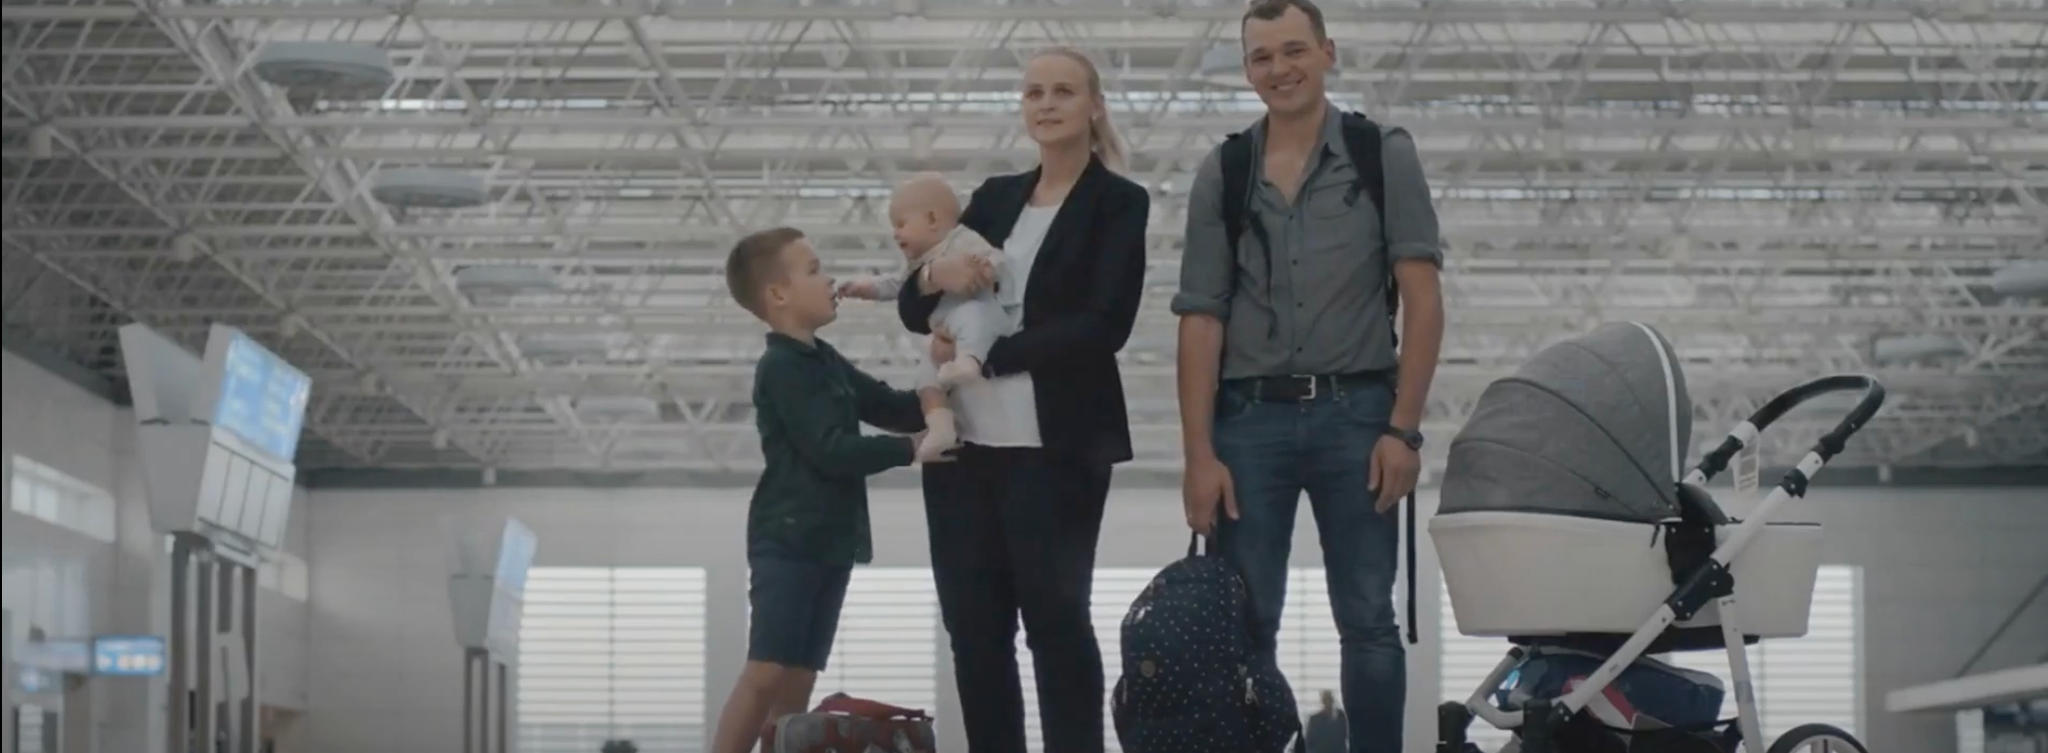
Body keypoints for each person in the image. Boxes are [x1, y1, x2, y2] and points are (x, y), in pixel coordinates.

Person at [1171, 1, 1446, 752]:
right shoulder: (1223, 171)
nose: (1279, 69)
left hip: (1358, 415)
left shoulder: (1380, 152)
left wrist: (1404, 429)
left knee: (1367, 616)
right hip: (1247, 421)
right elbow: (1200, 320)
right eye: (1261, 57)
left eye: (1294, 50)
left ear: (1329, 53)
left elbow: (1422, 301)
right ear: (1246, 69)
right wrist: (1198, 455)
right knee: (1246, 616)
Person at [892, 46, 1149, 753]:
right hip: (965, 450)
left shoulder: (1120, 202)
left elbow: (1106, 324)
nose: (1046, 103)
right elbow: (918, 307)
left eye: (1063, 91)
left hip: (1056, 448)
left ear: (1094, 105)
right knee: (975, 633)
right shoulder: (994, 196)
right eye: (1033, 91)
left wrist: (992, 355)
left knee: (1056, 622)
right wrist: (928, 276)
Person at [710, 227, 951, 753]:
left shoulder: (823, 360)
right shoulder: (781, 368)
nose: (830, 279)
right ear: (778, 295)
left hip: (829, 543)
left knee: (797, 679)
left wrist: (943, 381)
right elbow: (831, 450)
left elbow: (888, 404)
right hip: (790, 539)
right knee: (768, 669)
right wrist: (911, 448)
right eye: (815, 270)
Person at [839, 171, 1014, 458]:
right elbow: (898, 286)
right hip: (944, 337)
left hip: (975, 320)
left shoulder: (962, 240)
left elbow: (994, 258)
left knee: (972, 316)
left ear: (932, 220)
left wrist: (987, 269)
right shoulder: (917, 264)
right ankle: (940, 426)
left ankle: (970, 361)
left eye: (901, 224)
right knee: (925, 379)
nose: (895, 233)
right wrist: (864, 288)